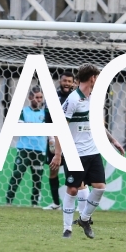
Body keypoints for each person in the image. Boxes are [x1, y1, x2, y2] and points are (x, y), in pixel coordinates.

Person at [49, 63, 125, 239]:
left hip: (92, 151)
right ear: (92, 78)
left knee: (99, 188)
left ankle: (84, 219)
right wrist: (58, 154)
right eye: (97, 78)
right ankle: (67, 228)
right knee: (73, 190)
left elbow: (97, 124)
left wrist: (112, 140)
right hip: (75, 152)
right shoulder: (73, 100)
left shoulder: (94, 99)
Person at [5, 86, 48, 207]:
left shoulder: (45, 113)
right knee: (17, 175)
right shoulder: (23, 111)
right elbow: (18, 127)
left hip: (39, 149)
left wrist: (30, 126)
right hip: (24, 148)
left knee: (37, 178)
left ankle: (34, 204)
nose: (39, 100)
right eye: (37, 97)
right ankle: (8, 201)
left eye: (40, 97)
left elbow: (45, 129)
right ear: (30, 97)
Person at [42, 70, 76, 211]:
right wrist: (50, 138)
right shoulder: (53, 98)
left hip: (72, 141)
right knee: (53, 171)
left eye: (69, 81)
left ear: (73, 83)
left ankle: (71, 205)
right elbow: (48, 120)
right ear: (60, 81)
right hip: (55, 140)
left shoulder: (76, 98)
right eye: (64, 81)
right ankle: (56, 203)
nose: (67, 83)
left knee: (72, 173)